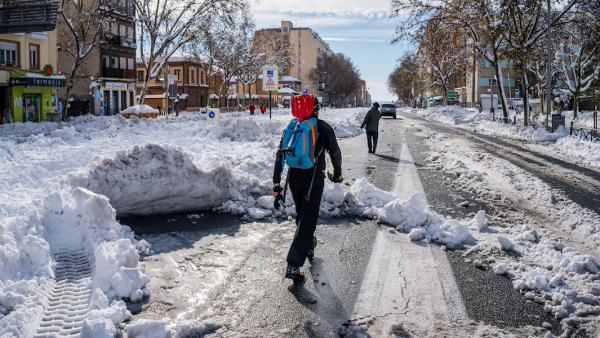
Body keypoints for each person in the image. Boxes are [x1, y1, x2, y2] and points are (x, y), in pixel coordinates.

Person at [272, 97, 343, 281]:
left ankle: (309, 244)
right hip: (313, 178)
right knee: (308, 219)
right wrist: (338, 174)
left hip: (293, 178)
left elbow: (280, 155)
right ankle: (293, 265)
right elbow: (335, 153)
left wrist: (276, 184)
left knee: (302, 214)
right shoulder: (323, 128)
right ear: (317, 109)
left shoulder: (293, 127)